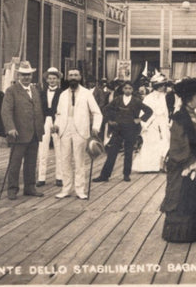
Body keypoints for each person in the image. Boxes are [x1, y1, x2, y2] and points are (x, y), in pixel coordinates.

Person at [160, 73, 196, 243]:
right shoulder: (180, 117)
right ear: (190, 99)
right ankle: (183, 233)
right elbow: (178, 144)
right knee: (184, 195)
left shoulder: (193, 114)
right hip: (185, 163)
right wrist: (192, 163)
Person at [54, 69, 103, 200]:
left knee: (79, 161)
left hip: (80, 130)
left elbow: (97, 112)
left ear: (80, 77)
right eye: (71, 75)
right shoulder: (63, 94)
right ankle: (66, 189)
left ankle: (80, 190)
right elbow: (58, 114)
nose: (73, 78)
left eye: (76, 75)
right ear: (67, 78)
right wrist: (56, 125)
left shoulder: (87, 94)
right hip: (65, 129)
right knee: (65, 160)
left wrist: (95, 127)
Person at [0, 61, 46, 200]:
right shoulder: (11, 90)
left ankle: (30, 187)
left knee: (31, 162)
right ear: (18, 75)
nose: (26, 77)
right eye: (23, 75)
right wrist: (10, 128)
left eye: (29, 75)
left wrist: (40, 127)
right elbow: (6, 111)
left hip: (34, 133)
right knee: (15, 162)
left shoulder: (34, 90)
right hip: (19, 133)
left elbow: (38, 109)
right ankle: (12, 189)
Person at [94, 80, 153, 183]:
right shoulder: (117, 100)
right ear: (122, 89)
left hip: (131, 129)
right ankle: (104, 175)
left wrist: (139, 119)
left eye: (130, 88)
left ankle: (126, 174)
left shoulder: (136, 101)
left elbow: (149, 111)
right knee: (112, 152)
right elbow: (105, 109)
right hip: (118, 129)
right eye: (126, 88)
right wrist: (110, 121)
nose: (127, 90)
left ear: (133, 90)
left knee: (128, 152)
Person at [133, 73, 170, 173]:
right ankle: (148, 166)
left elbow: (166, 111)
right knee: (151, 143)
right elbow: (144, 112)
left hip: (162, 122)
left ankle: (162, 164)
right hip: (151, 123)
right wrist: (145, 124)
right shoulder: (148, 98)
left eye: (164, 85)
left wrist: (167, 122)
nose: (163, 87)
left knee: (165, 141)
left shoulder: (165, 96)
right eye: (161, 85)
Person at [37, 67, 65, 188]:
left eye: (54, 78)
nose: (52, 80)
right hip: (44, 121)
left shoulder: (63, 93)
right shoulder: (41, 92)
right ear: (47, 80)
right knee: (42, 149)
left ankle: (60, 177)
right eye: (50, 78)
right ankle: (41, 178)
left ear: (58, 80)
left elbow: (63, 109)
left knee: (59, 148)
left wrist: (58, 123)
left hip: (57, 120)